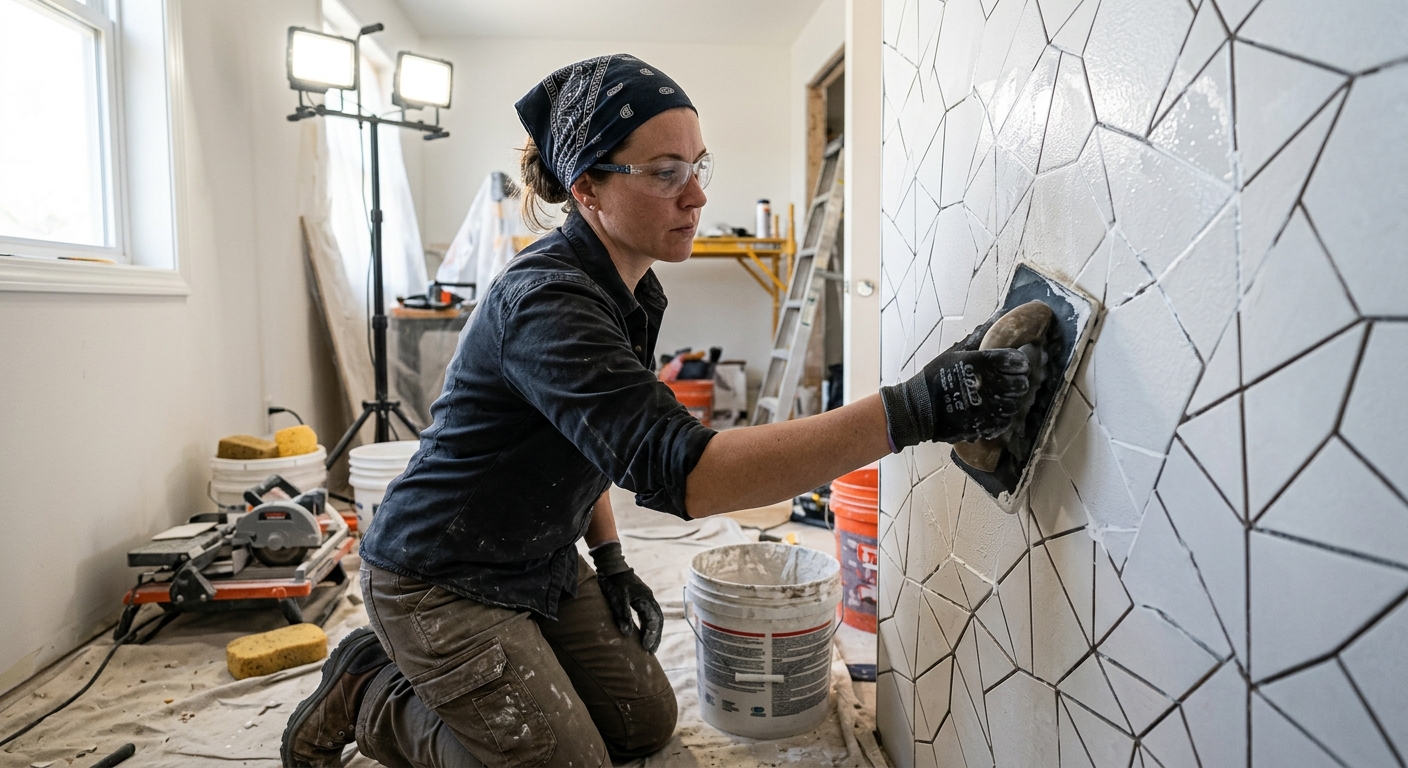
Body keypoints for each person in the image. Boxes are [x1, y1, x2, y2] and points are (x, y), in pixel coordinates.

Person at [281, 53, 1030, 768]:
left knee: (644, 725)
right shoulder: (548, 303)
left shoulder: (631, 290)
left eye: (698, 166)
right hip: (440, 573)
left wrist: (608, 560)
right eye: (666, 173)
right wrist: (912, 411)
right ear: (587, 190)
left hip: (535, 553)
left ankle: (490, 668)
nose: (697, 195)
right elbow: (688, 476)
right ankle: (372, 690)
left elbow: (596, 446)